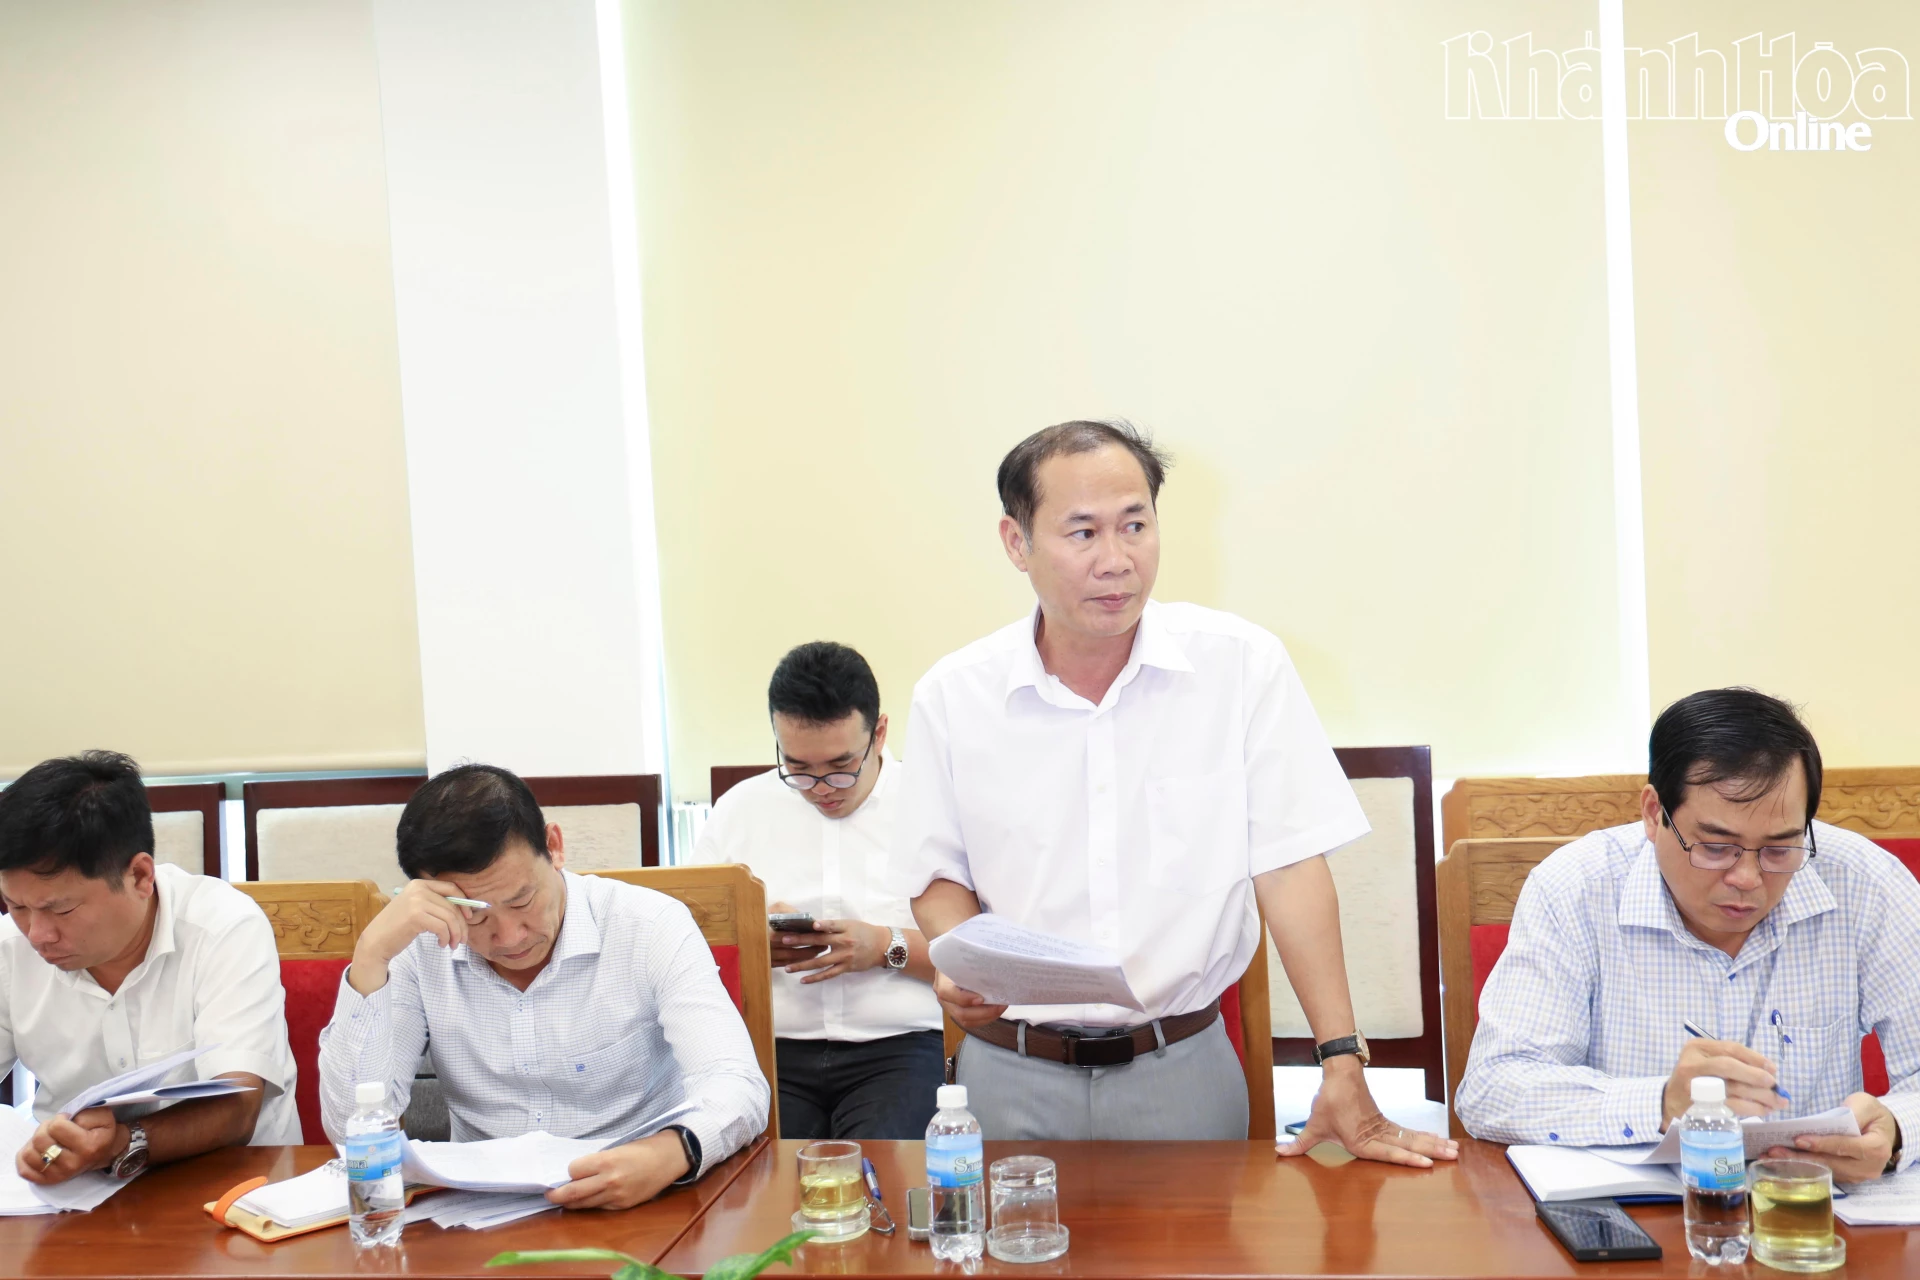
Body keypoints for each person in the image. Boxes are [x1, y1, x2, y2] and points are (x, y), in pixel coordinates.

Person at [897, 418, 1455, 1165]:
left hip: (1182, 1066)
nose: (1116, 560)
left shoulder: (1240, 667)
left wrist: (1341, 1060)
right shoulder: (954, 696)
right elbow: (937, 877)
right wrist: (967, 962)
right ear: (1016, 542)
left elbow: (1290, 868)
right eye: (1083, 532)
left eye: (1135, 525)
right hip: (1008, 1069)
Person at [1457, 688, 1920, 1182]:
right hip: (1633, 1214)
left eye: (1779, 849)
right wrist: (1661, 1102)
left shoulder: (1866, 885)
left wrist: (1896, 1129)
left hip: (1809, 1208)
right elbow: (1493, 1087)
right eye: (1716, 847)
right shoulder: (1575, 889)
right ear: (1653, 813)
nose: (1747, 878)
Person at [317, 764, 768, 1209]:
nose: (510, 937)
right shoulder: (417, 946)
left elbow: (737, 1084)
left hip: (640, 1199)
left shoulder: (648, 925)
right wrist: (370, 957)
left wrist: (669, 1152)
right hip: (476, 1211)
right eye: (473, 914)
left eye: (522, 900)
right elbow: (348, 1128)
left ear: (554, 847)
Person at [1, 751, 299, 1188]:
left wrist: (121, 1144)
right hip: (66, 1197)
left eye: (60, 909)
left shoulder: (224, 926)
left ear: (140, 876)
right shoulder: (9, 947)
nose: (37, 934)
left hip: (235, 1191)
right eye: (16, 906)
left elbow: (238, 1108)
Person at [689, 641, 944, 1140]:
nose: (822, 786)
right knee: (759, 1178)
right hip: (771, 1046)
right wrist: (752, 941)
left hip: (902, 1045)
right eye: (799, 768)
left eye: (841, 765)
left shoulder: (931, 806)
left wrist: (884, 946)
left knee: (882, 1172)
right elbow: (684, 945)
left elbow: (982, 955)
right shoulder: (739, 810)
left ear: (880, 734)